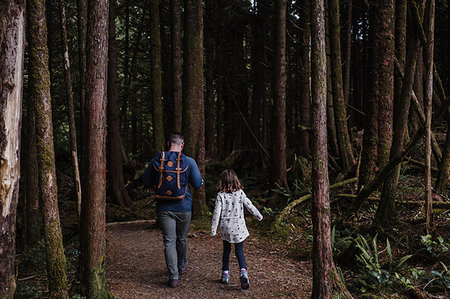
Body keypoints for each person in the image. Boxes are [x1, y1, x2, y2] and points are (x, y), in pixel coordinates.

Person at [143, 133, 203, 288]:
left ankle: (173, 276)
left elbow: (146, 182)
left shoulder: (157, 160)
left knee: (169, 241)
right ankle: (182, 266)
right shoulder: (189, 161)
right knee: (181, 238)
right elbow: (197, 184)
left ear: (168, 143)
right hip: (184, 207)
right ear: (182, 145)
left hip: (163, 208)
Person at [211, 169, 263, 290]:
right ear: (236, 181)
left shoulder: (220, 195)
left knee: (226, 251)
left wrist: (213, 229)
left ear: (222, 182)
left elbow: (216, 213)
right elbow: (249, 205)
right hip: (239, 227)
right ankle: (243, 272)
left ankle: (225, 275)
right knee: (239, 251)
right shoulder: (240, 193)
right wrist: (259, 216)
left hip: (226, 228)